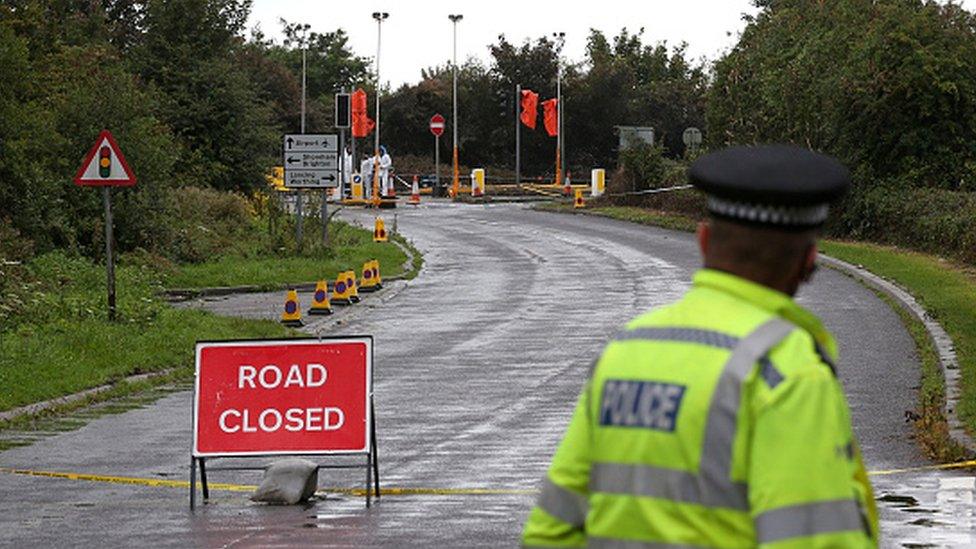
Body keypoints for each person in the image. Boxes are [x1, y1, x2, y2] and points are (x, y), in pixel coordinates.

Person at [522, 144, 878, 548]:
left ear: (704, 241)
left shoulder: (625, 352)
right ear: (808, 262)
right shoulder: (787, 372)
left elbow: (550, 531)